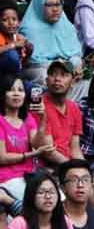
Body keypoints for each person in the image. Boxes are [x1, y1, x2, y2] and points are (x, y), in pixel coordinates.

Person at [0, 75, 51, 206]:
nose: (16, 94)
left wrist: (42, 120)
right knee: (38, 203)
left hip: (30, 174)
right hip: (7, 176)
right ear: (3, 94)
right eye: (11, 90)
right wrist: (32, 154)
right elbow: (2, 158)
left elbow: (36, 144)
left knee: (58, 199)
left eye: (20, 90)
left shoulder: (27, 118)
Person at [18, 0, 83, 84]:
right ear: (39, 6)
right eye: (49, 5)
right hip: (41, 69)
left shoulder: (66, 26)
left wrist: (75, 64)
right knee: (44, 76)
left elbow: (76, 54)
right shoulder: (29, 29)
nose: (55, 9)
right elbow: (33, 62)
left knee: (86, 77)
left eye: (58, 4)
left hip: (67, 68)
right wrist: (59, 65)